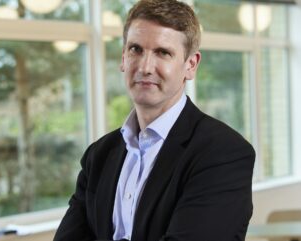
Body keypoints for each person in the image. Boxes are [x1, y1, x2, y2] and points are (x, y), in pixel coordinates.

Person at [54, 0, 256, 240]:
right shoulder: (98, 156)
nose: (145, 67)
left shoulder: (224, 154)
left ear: (190, 65)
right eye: (135, 49)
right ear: (123, 58)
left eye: (163, 53)